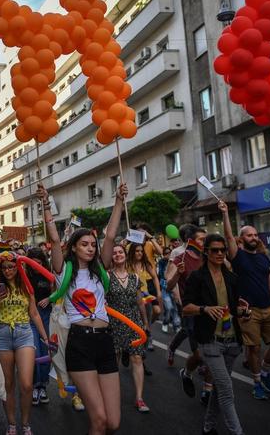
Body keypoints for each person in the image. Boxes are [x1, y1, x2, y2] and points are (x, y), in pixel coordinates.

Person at [39, 181, 126, 435]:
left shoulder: (101, 271)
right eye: (85, 244)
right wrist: (46, 204)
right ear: (74, 247)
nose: (90, 248)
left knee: (113, 423)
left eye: (93, 244)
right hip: (80, 344)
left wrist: (119, 200)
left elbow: (111, 235)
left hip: (105, 342)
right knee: (98, 421)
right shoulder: (64, 271)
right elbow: (55, 239)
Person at [221, 201, 270, 400]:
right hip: (249, 311)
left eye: (256, 235)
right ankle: (257, 382)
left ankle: (265, 371)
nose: (254, 238)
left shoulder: (263, 258)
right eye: (249, 235)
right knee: (254, 348)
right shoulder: (237, 256)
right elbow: (228, 237)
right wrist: (225, 213)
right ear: (242, 238)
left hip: (268, 308)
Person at [182, 234, 248, 435]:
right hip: (210, 341)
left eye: (223, 250)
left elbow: (234, 308)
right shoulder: (197, 277)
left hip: (232, 341)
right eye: (215, 250)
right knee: (226, 389)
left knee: (220, 388)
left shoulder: (232, 278)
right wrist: (204, 309)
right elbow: (186, 308)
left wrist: (243, 312)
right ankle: (237, 432)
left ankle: (208, 427)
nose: (220, 253)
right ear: (206, 252)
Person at [0, 251, 49, 435]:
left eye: (11, 267)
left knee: (26, 384)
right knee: (8, 384)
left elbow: (34, 314)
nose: (8, 271)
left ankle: (25, 424)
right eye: (4, 268)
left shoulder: (26, 285)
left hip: (24, 332)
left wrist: (45, 338)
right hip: (2, 333)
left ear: (18, 267)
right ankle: (11, 424)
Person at [165, 225, 212, 402]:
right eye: (202, 239)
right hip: (190, 309)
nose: (205, 242)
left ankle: (207, 389)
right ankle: (185, 369)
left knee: (213, 352)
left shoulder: (210, 256)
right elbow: (169, 284)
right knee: (198, 352)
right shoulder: (179, 255)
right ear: (191, 240)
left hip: (211, 311)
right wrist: (178, 276)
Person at [106, 242, 150, 412]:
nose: (118, 254)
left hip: (134, 322)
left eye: (120, 252)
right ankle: (112, 396)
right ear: (111, 257)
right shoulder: (107, 277)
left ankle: (139, 398)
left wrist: (145, 323)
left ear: (125, 255)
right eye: (114, 253)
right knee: (114, 361)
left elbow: (140, 302)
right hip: (114, 323)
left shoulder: (135, 278)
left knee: (137, 358)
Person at [25, 247, 53, 406]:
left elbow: (59, 290)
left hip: (46, 315)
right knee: (34, 352)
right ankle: (35, 385)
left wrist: (50, 298)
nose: (36, 267)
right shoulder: (25, 275)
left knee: (46, 351)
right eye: (33, 263)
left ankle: (43, 386)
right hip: (30, 317)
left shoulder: (48, 274)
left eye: (39, 263)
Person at [158, 246, 181, 334]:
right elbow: (162, 274)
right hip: (165, 288)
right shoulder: (162, 262)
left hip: (174, 288)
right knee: (168, 307)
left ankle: (176, 325)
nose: (168, 254)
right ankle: (165, 322)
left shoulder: (175, 261)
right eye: (166, 253)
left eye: (169, 253)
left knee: (175, 308)